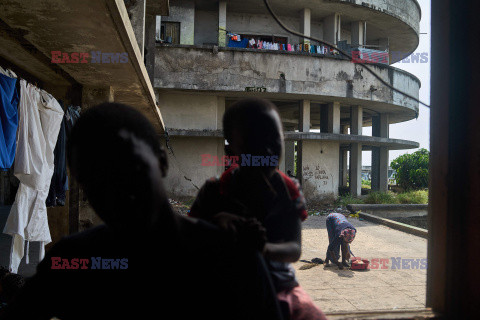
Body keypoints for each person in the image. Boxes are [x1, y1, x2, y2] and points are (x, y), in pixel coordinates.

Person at [0, 103, 282, 320]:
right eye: (97, 182)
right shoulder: (72, 262)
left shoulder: (231, 257)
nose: (117, 192)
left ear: (161, 163)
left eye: (131, 170)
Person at [189, 98, 327, 320]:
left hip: (279, 286)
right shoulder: (215, 190)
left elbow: (294, 249)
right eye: (254, 142)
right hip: (223, 285)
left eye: (274, 139)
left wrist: (263, 248)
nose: (267, 149)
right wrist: (216, 226)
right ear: (230, 150)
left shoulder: (288, 188)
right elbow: (190, 239)